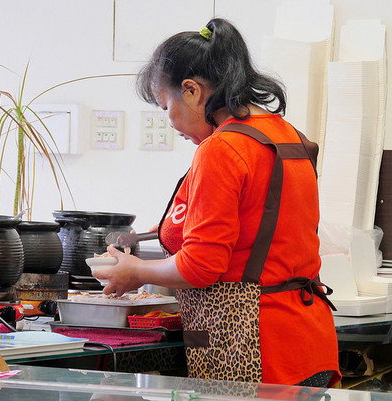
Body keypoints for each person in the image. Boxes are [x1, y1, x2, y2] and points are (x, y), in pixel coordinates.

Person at [94, 18, 341, 387]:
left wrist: (136, 272)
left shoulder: (223, 148)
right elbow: (261, 229)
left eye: (164, 106)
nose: (169, 121)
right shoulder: (286, 135)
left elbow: (201, 267)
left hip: (251, 348)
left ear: (191, 90)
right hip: (309, 338)